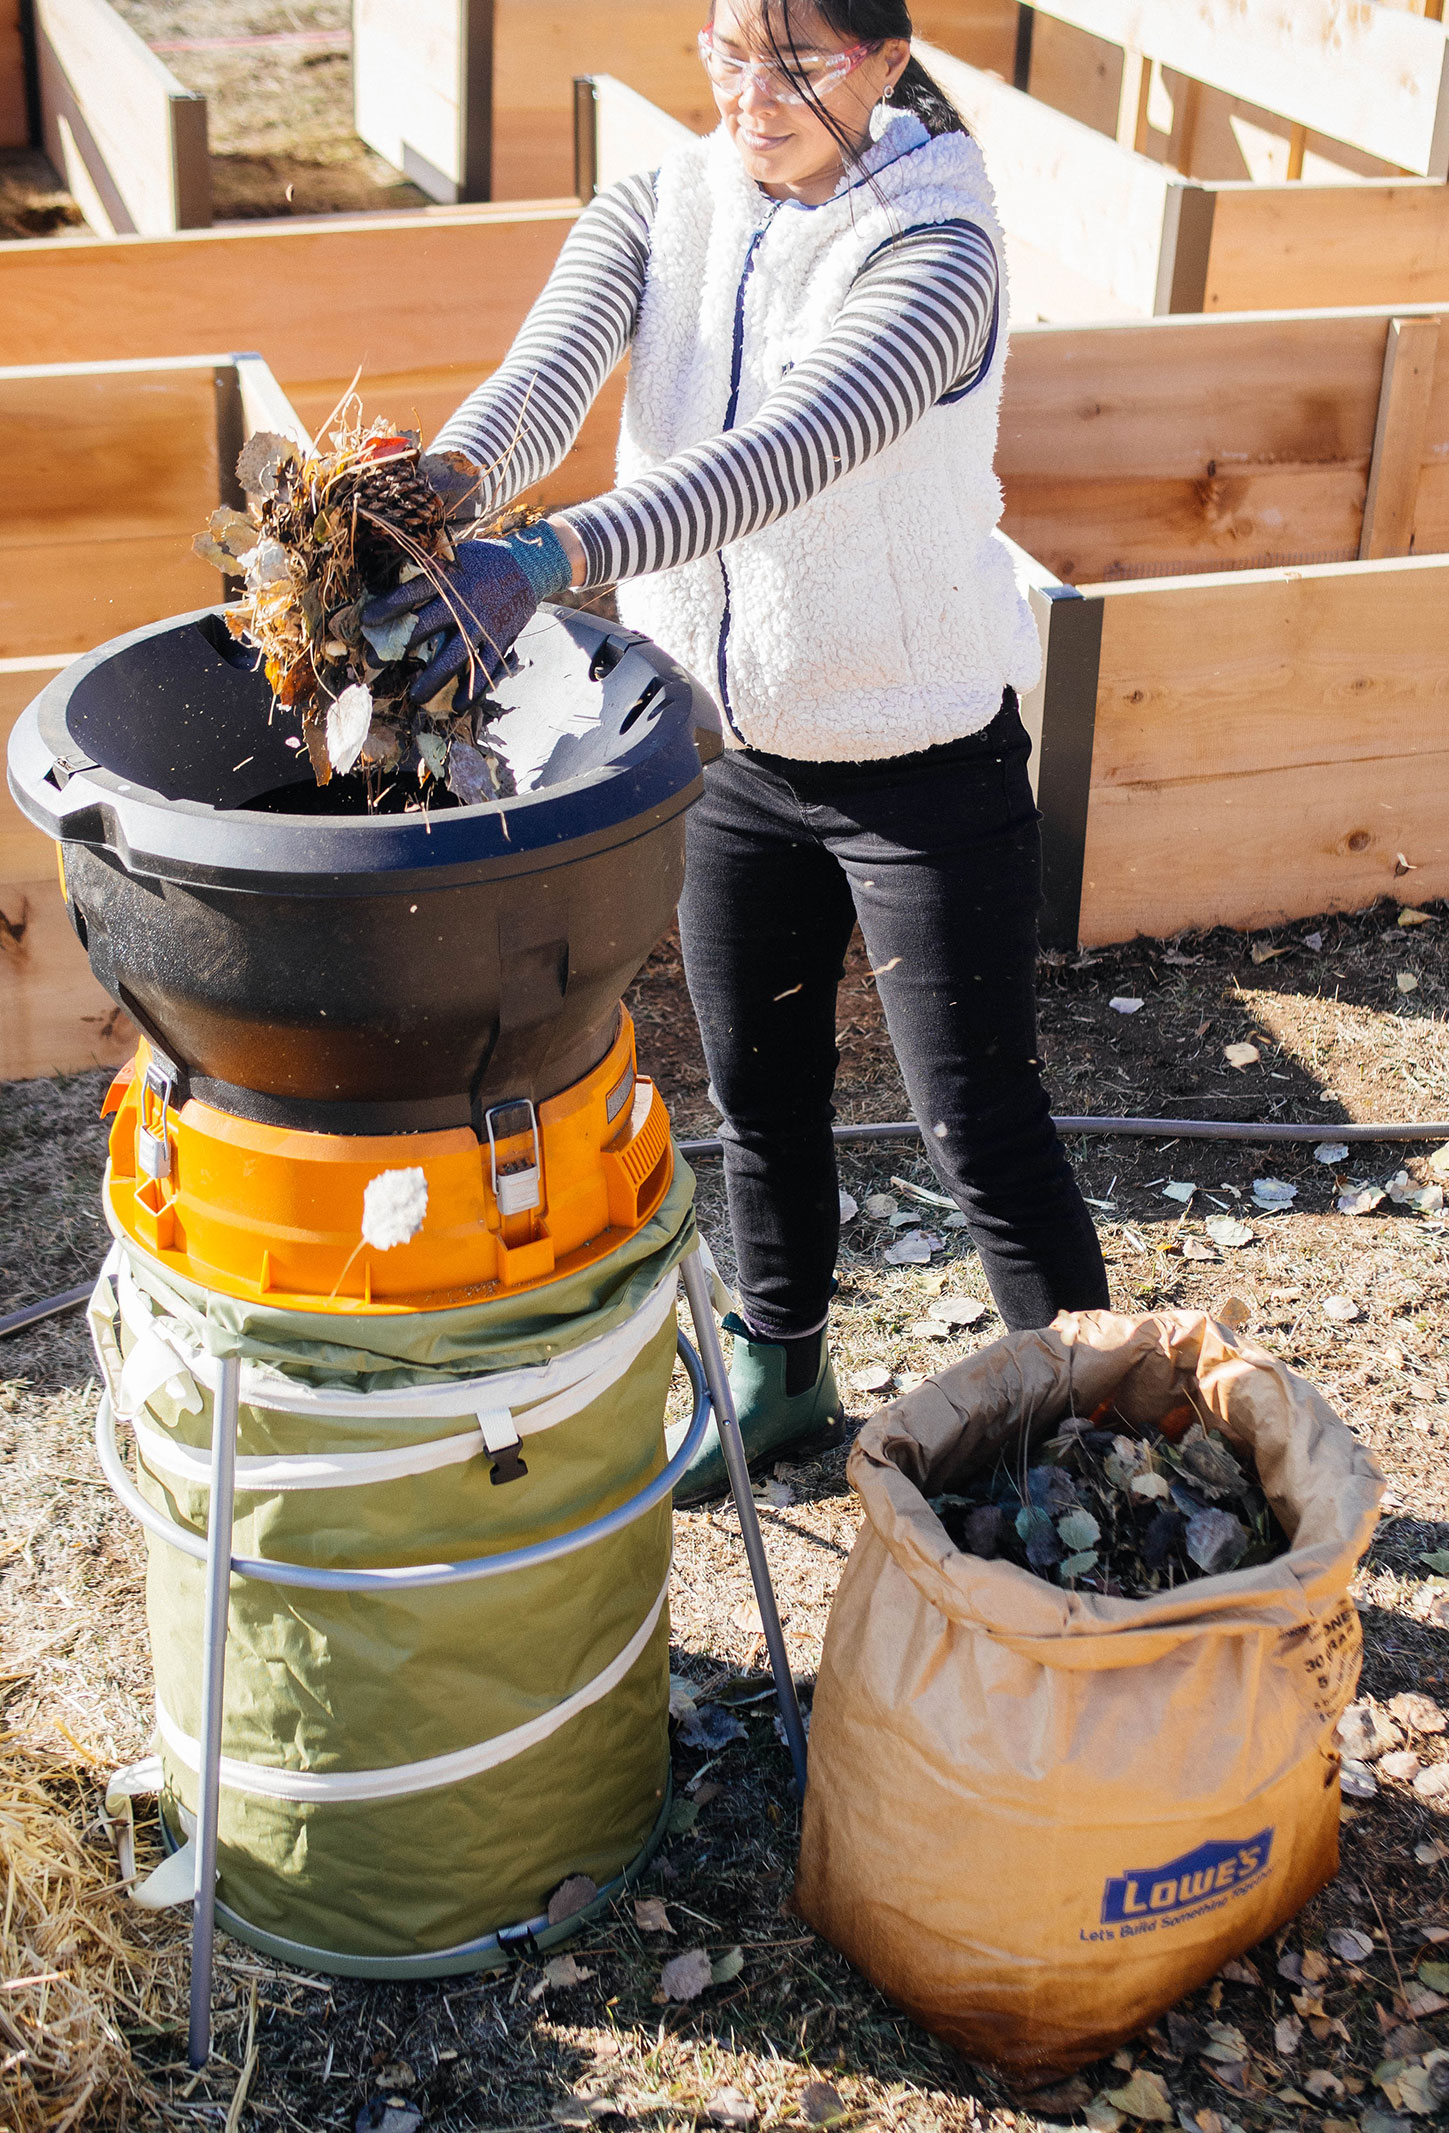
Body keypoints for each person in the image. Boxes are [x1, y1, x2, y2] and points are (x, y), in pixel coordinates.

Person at [367, 0, 1111, 1499]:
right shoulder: (665, 197)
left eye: (796, 65)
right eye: (722, 53)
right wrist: (444, 487)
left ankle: (1102, 1427)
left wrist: (554, 556)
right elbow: (548, 374)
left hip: (920, 758)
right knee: (757, 1095)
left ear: (887, 64)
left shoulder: (938, 252)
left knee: (982, 1128)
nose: (749, 98)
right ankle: (783, 1370)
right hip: (737, 754)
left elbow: (787, 452)